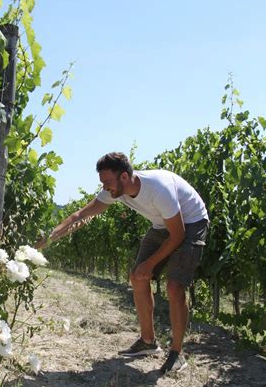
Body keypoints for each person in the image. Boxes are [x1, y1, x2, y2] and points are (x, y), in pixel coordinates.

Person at [37, 152, 209, 374]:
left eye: (107, 182)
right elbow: (81, 215)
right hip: (161, 224)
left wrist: (150, 264)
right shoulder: (115, 190)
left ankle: (177, 353)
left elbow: (177, 235)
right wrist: (50, 238)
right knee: (137, 277)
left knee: (175, 287)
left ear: (125, 177)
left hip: (191, 222)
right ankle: (148, 342)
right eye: (102, 182)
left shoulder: (159, 189)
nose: (104, 187)